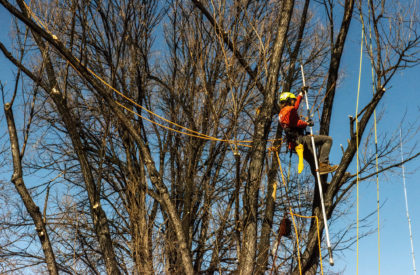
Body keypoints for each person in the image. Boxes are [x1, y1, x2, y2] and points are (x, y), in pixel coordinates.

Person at [278, 88, 337, 175]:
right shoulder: (289, 110)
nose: (294, 102)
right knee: (328, 140)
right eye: (293, 100)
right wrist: (306, 123)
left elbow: (295, 108)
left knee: (315, 164)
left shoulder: (282, 113)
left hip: (294, 144)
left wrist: (301, 94)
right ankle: (324, 164)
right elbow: (296, 122)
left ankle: (319, 178)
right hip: (301, 140)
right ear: (289, 100)